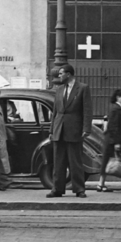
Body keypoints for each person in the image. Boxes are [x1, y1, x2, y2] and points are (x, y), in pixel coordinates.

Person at [47, 65, 88, 198]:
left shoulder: (82, 88)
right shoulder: (59, 90)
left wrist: (86, 128)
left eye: (61, 73)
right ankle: (57, 189)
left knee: (75, 161)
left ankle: (79, 189)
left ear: (69, 74)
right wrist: (51, 130)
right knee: (58, 161)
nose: (59, 76)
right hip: (59, 129)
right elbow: (55, 112)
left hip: (74, 130)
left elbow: (87, 110)